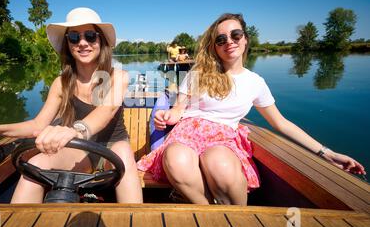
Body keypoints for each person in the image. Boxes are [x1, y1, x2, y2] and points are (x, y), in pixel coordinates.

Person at [137, 13, 366, 206]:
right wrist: (165, 115)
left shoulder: (255, 82)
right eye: (221, 39)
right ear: (214, 46)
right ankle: (210, 214)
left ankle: (235, 219)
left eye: (236, 35)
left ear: (245, 39)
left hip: (222, 136)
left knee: (221, 165)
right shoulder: (197, 75)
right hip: (186, 133)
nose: (229, 41)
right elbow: (178, 110)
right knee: (176, 159)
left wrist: (328, 153)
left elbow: (280, 123)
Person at [0, 7, 143, 204]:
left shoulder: (119, 76)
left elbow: (106, 111)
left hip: (112, 146)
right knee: (35, 164)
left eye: (90, 36)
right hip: (80, 149)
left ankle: (134, 223)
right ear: (68, 44)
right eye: (74, 37)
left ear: (101, 42)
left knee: (124, 155)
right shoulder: (61, 83)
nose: (82, 43)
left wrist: (75, 131)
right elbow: (38, 125)